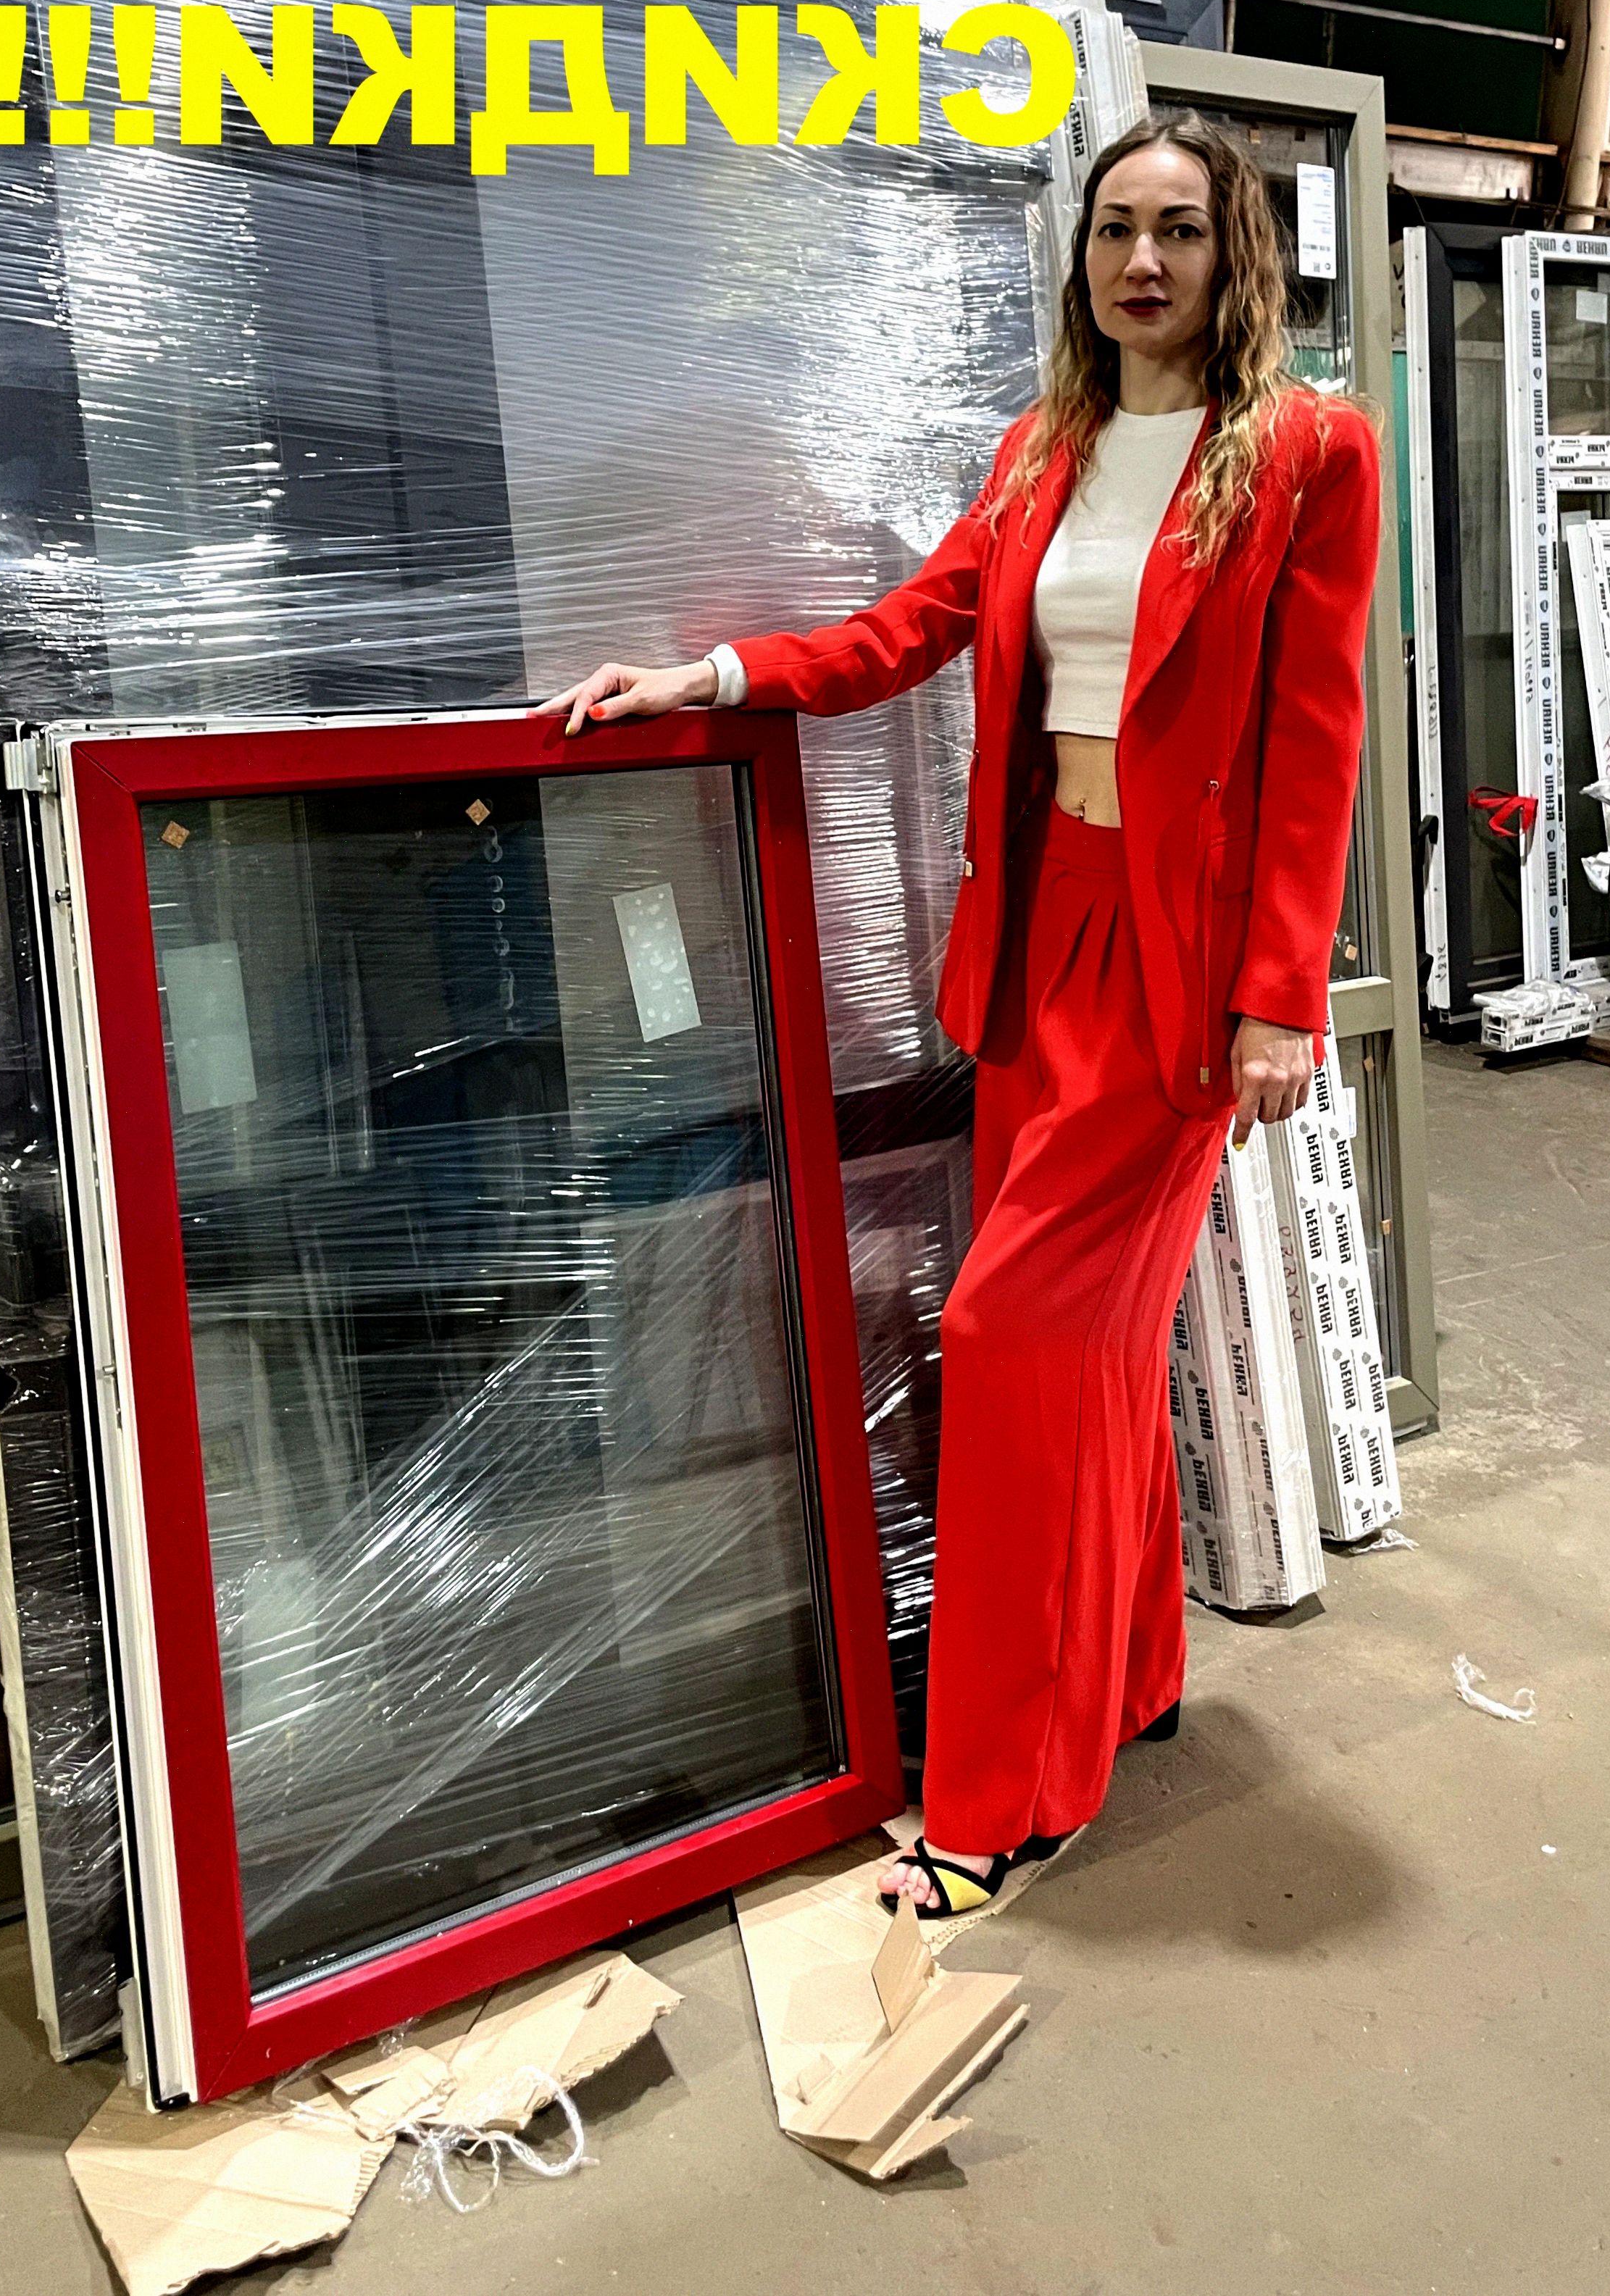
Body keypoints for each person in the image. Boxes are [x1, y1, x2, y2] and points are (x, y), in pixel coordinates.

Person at [543, 114, 1380, 1918]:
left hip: (1179, 974)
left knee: (1007, 1342)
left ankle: (1006, 1794)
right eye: (1114, 229)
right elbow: (910, 628)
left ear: (1233, 256)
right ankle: (1129, 1674)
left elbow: (1317, 737)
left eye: (1178, 230)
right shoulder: (1040, 449)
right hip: (1036, 946)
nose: (1140, 261)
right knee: (1088, 1357)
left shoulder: (1307, 452)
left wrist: (1279, 997)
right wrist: (713, 674)